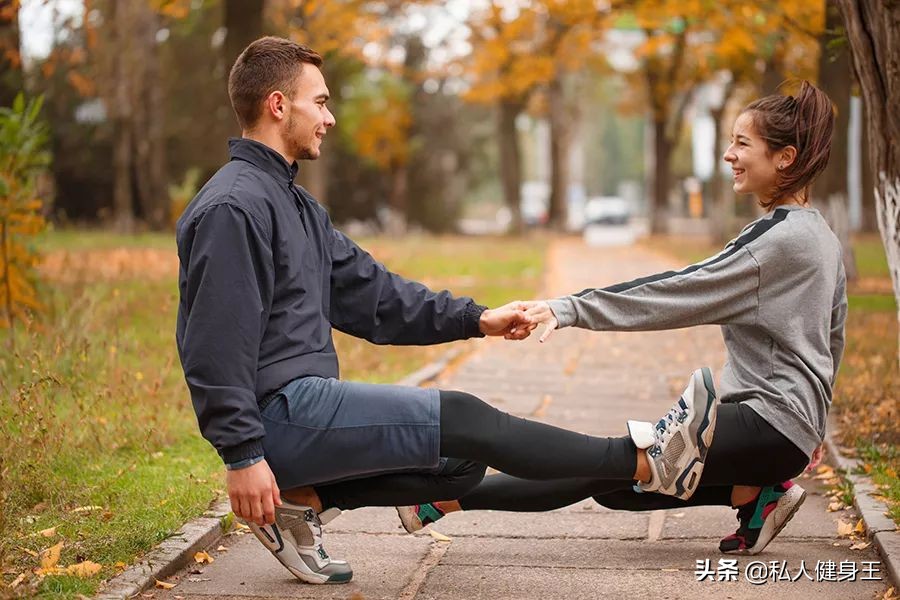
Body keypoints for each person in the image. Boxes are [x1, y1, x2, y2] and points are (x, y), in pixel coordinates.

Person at [175, 36, 722, 586]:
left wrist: (477, 319)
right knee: (463, 416)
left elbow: (376, 297)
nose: (330, 117)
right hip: (277, 416)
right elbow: (212, 347)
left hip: (303, 411)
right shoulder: (234, 207)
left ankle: (302, 500)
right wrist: (243, 455)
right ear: (277, 105)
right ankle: (647, 461)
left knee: (459, 466)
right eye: (319, 102)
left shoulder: (295, 205)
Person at [397, 80, 845, 558]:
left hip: (768, 421)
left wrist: (567, 308)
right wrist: (813, 422)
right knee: (615, 488)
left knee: (606, 461)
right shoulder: (821, 236)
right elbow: (832, 339)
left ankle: (442, 500)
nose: (728, 155)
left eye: (742, 143)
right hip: (785, 429)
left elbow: (677, 291)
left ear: (785, 157)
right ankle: (756, 492)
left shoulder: (777, 241)